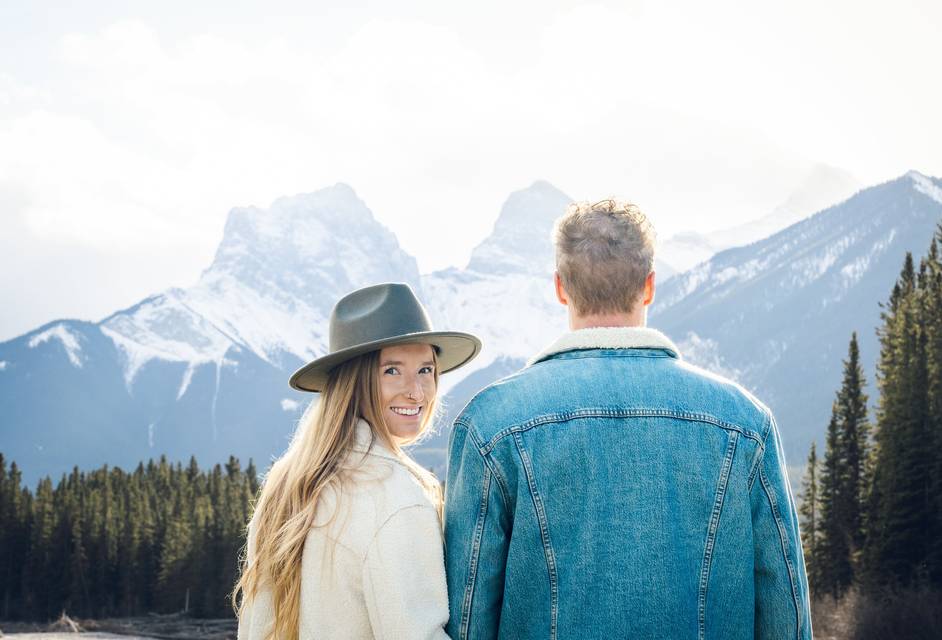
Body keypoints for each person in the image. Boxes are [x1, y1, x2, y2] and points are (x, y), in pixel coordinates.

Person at [444, 200, 811, 639]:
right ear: (650, 286)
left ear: (560, 287)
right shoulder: (746, 424)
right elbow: (784, 606)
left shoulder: (489, 425)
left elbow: (467, 616)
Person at [235, 282, 481, 640]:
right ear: (355, 381)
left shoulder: (286, 484)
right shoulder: (396, 500)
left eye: (426, 370)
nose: (416, 391)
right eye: (392, 370)